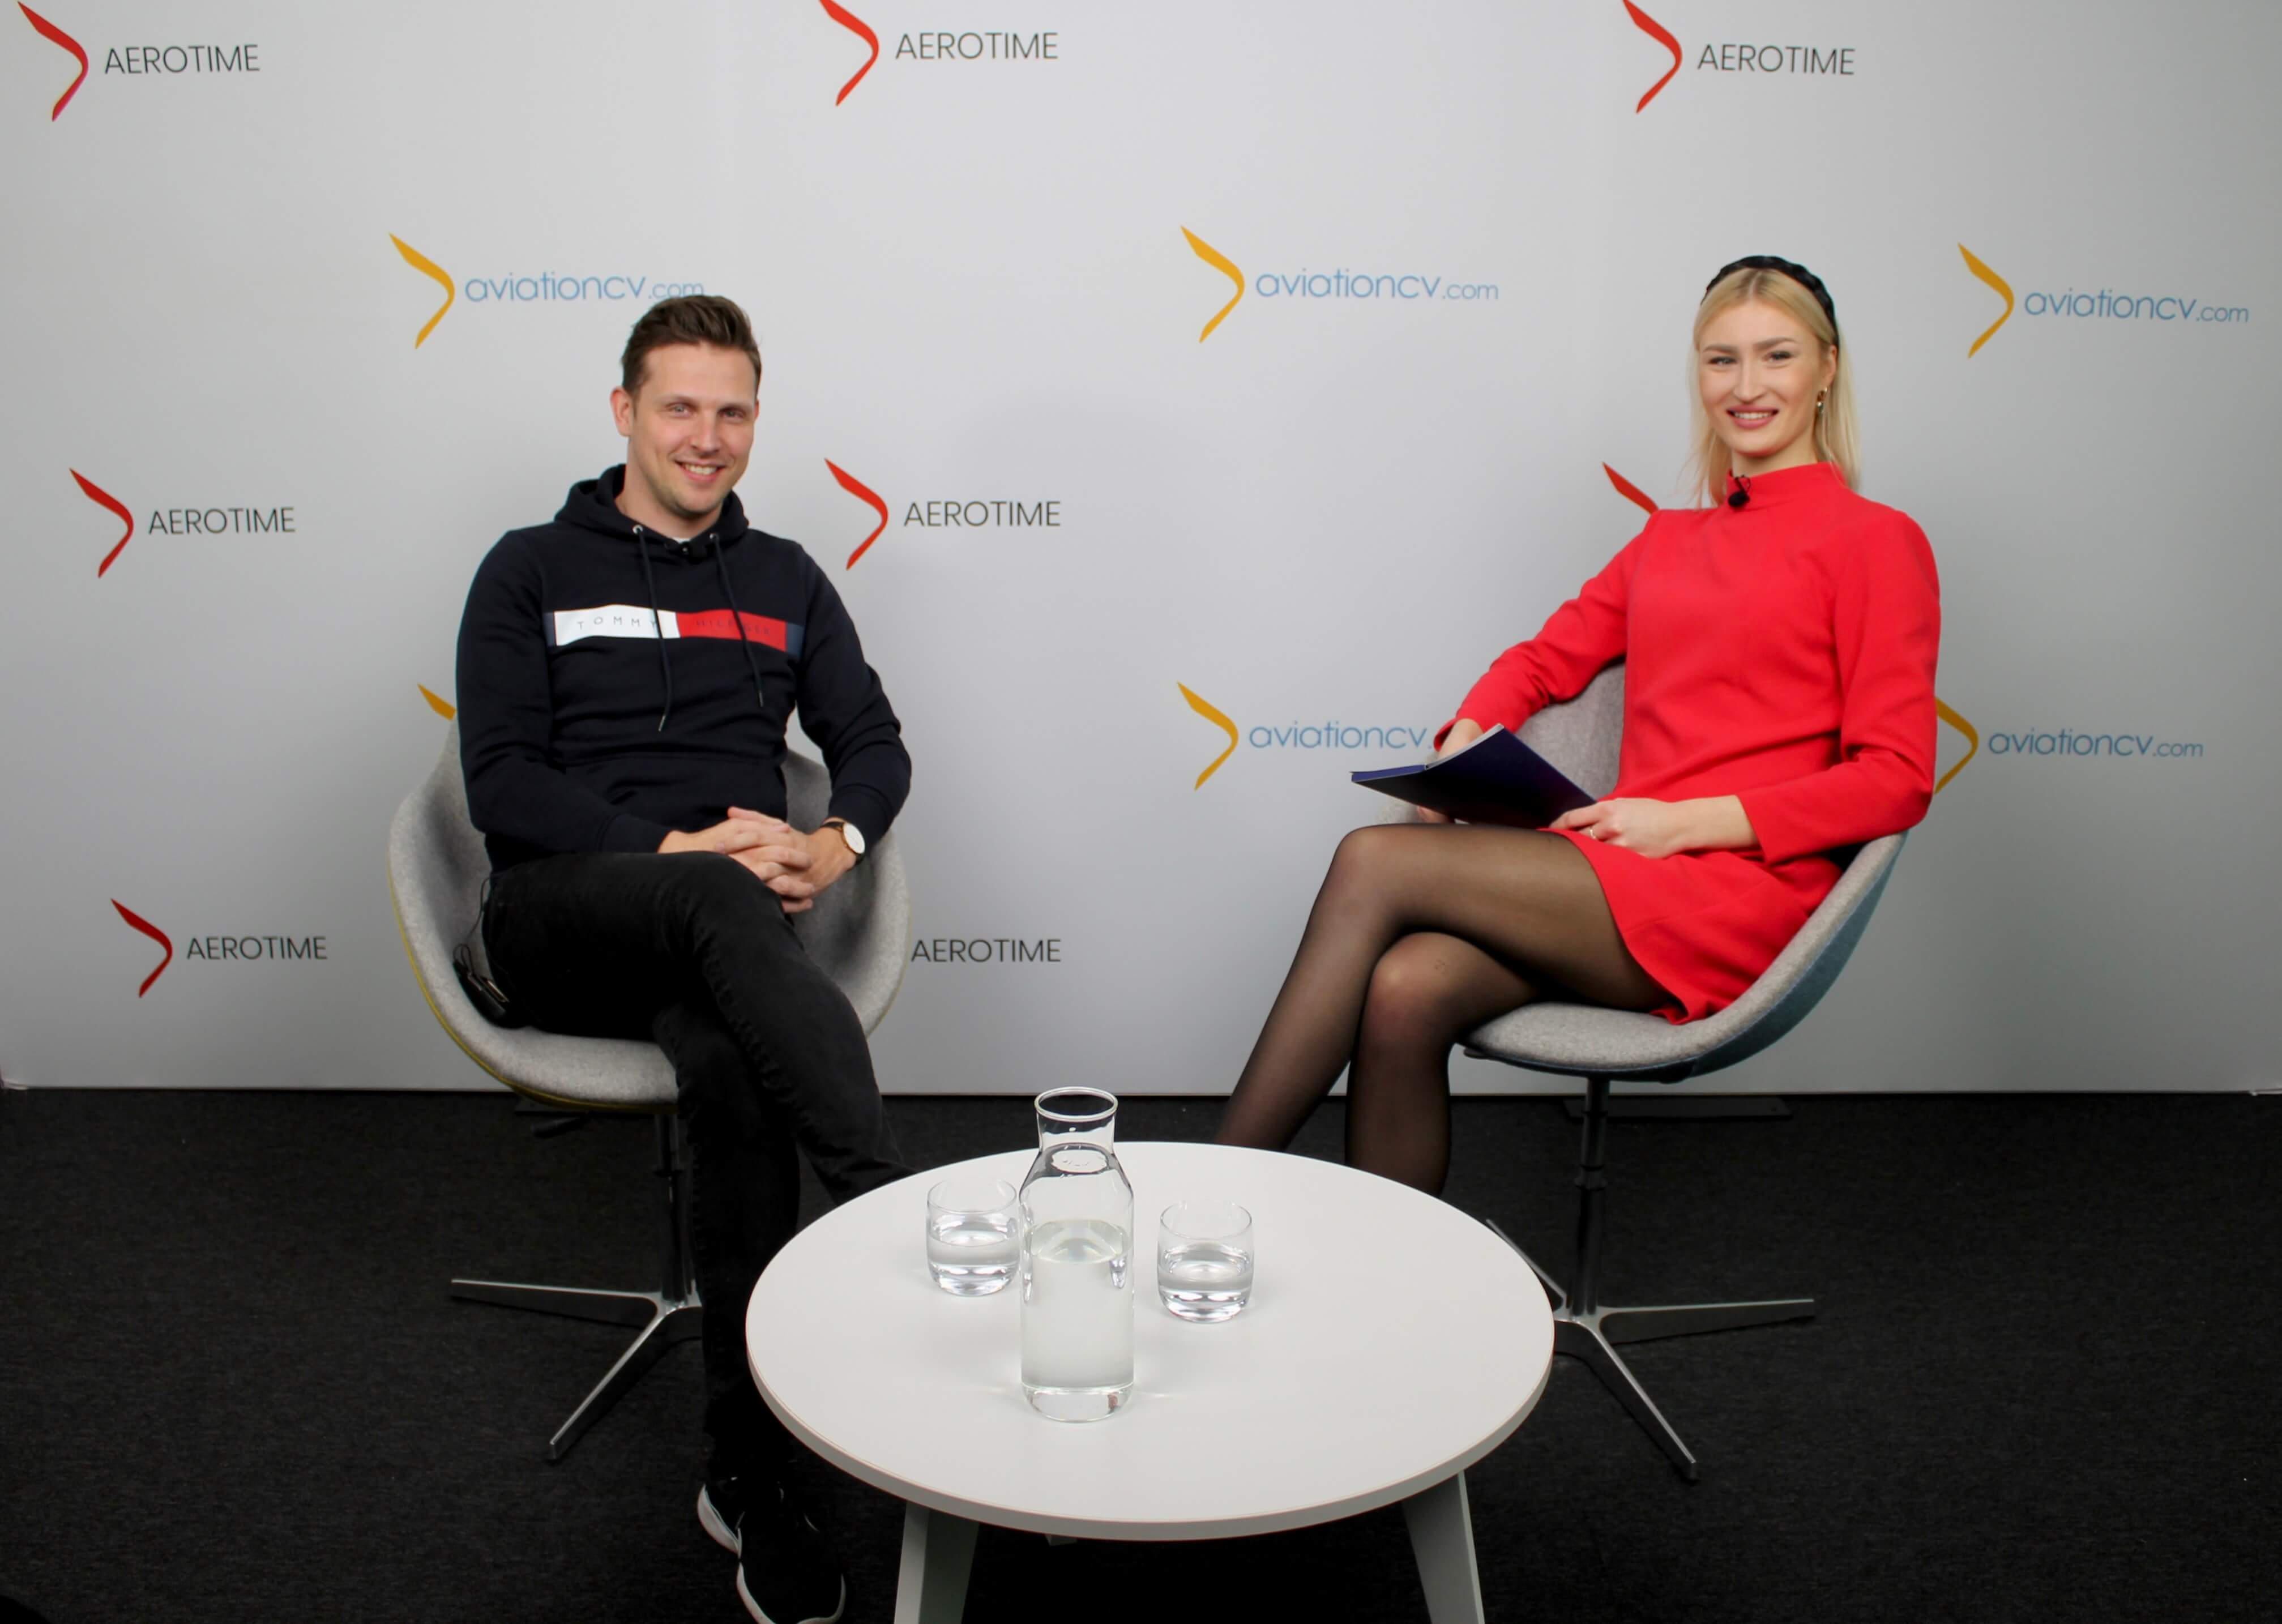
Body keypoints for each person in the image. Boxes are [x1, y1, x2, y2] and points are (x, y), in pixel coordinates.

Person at [1215, 257, 1939, 1195]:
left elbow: (1894, 778)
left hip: (1734, 893)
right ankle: (1392, 1268)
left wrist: (1681, 823)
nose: (1746, 386)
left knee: (1373, 860)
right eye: (1720, 360)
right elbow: (1541, 660)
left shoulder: (1875, 541)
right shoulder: (1665, 540)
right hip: (1620, 874)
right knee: (1406, 987)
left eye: (1776, 356)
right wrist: (1467, 737)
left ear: (1826, 368)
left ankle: (1205, 1193)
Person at [455, 294, 908, 1624]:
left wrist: (832, 842)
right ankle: (893, 1217)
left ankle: (746, 1476)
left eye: (732, 412)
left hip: (716, 938)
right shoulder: (528, 568)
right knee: (713, 896)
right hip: (554, 920)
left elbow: (873, 744)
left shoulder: (785, 580)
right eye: (679, 408)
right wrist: (673, 850)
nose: (707, 438)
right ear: (624, 413)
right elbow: (500, 783)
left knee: (732, 1062)